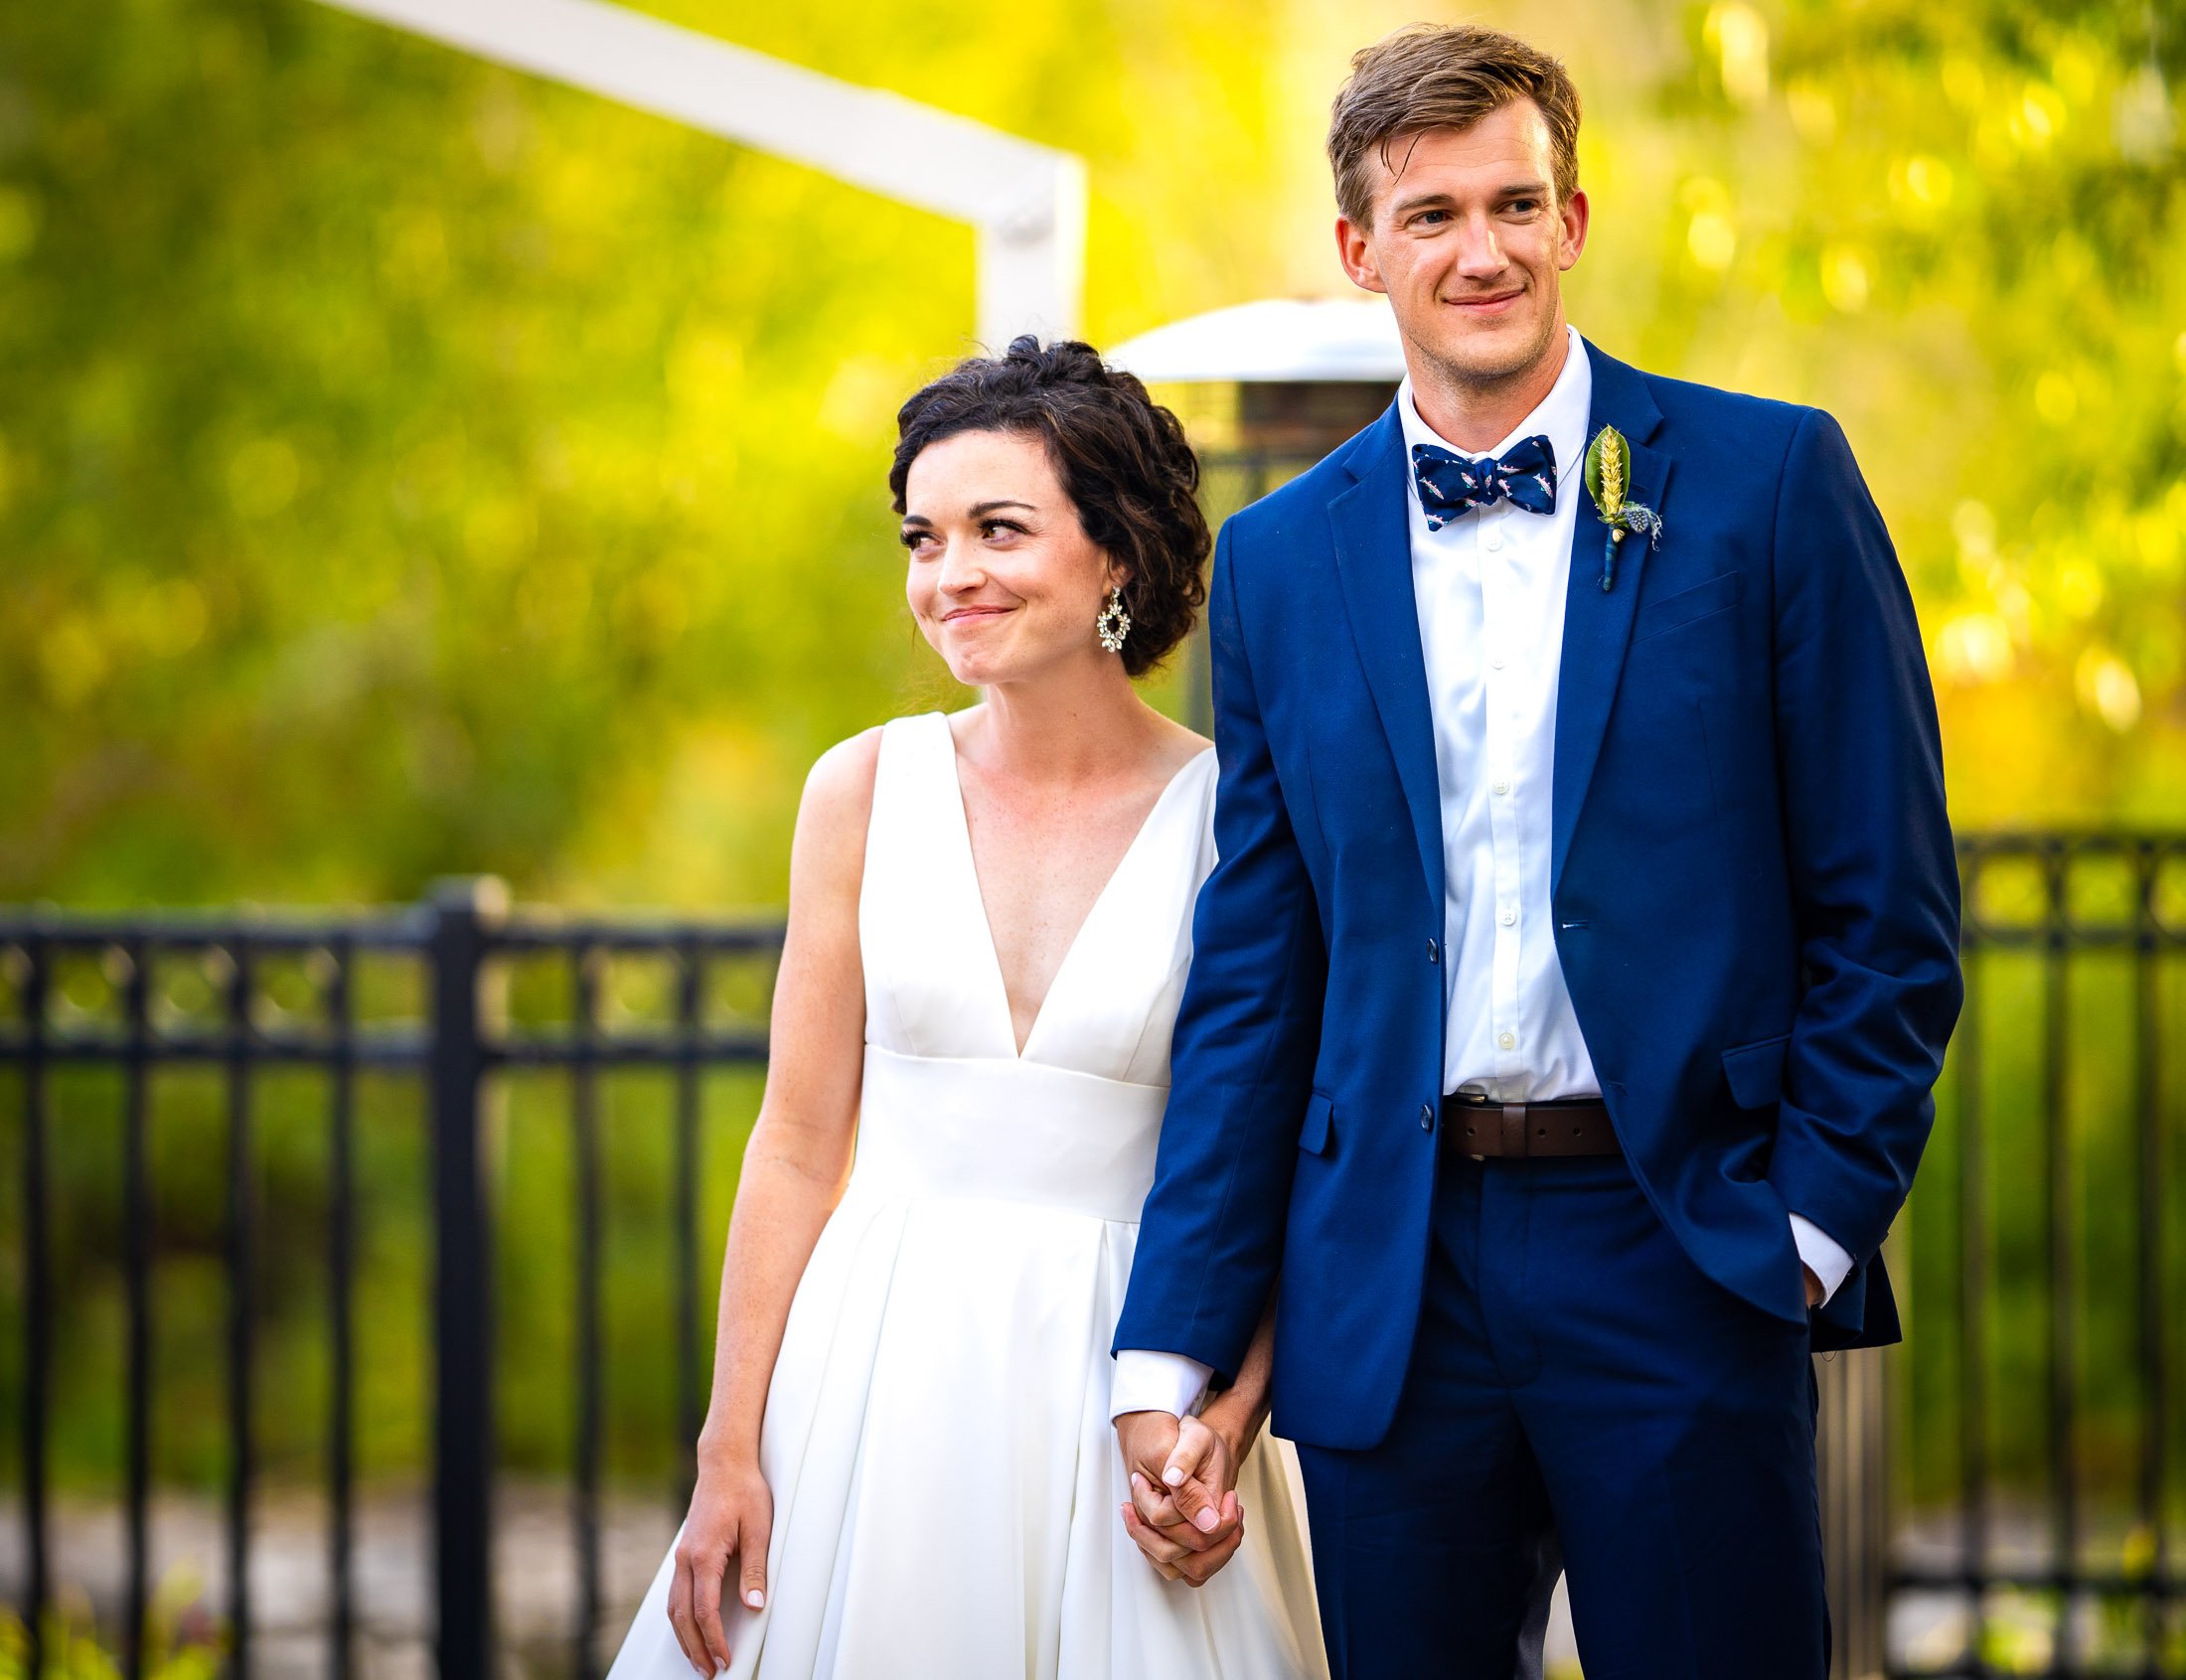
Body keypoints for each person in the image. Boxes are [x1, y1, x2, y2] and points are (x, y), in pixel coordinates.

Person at [1111, 23, 1962, 1680]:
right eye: (1430, 216)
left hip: (1686, 1250)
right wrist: (1173, 1339)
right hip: (1393, 1283)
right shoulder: (1281, 564)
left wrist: (1798, 1234)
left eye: (1514, 204)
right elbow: (1257, 975)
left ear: (1574, 218)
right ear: (1359, 249)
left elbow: (1892, 910)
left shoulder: (1770, 483)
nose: (1481, 251)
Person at [603, 337, 1327, 1680]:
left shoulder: (1242, 817)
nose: (950, 577)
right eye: (923, 539)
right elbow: (799, 1140)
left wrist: (1227, 1416)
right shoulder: (858, 791)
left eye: (1000, 529)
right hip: (876, 1378)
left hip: (1129, 1377)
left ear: (1118, 554)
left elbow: (1278, 1154)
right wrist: (728, 1446)